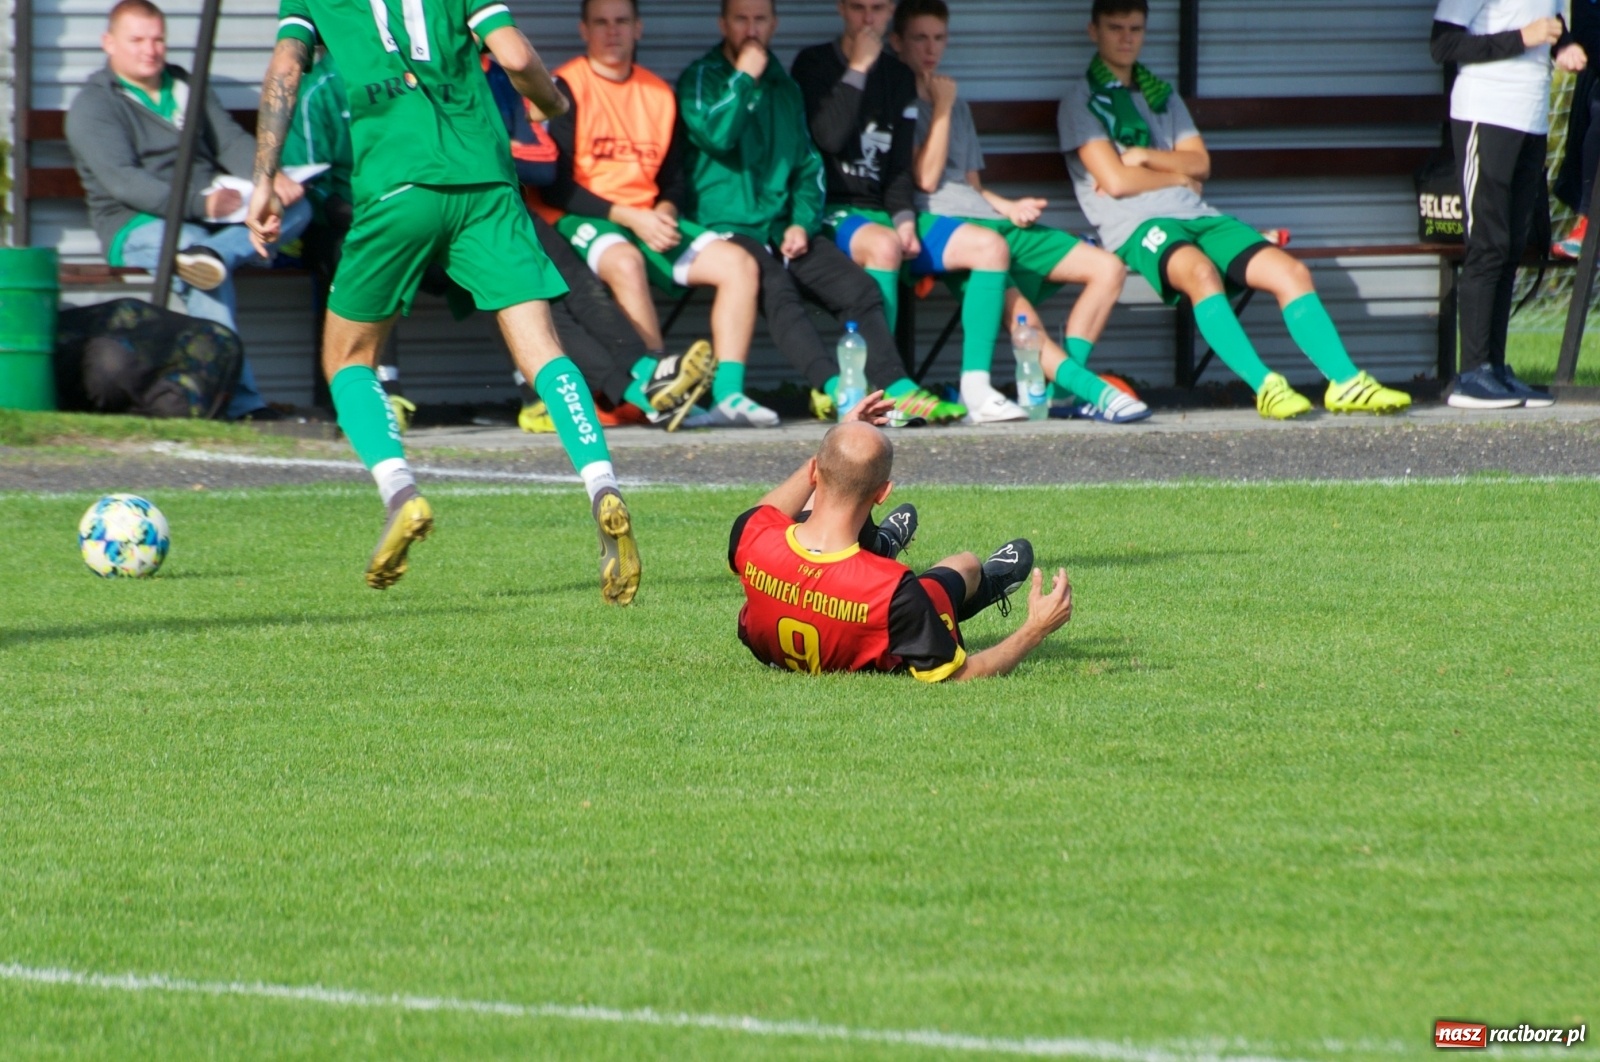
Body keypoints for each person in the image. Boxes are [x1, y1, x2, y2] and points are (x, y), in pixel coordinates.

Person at [250, 0, 643, 603]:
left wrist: (263, 179)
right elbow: (514, 55)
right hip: (484, 181)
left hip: (398, 184)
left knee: (349, 359)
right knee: (542, 350)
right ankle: (602, 483)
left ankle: (401, 492)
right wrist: (554, 102)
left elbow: (285, 69)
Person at [1059, 0, 1412, 419]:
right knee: (1201, 273)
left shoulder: (1160, 94)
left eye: (1135, 28)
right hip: (1139, 224)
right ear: (1092, 31)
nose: (1126, 38)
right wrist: (1173, 173)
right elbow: (1117, 182)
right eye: (1115, 28)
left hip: (1200, 214)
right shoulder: (1080, 102)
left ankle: (1345, 380)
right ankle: (1266, 386)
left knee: (1292, 272)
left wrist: (1142, 156)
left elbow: (1201, 164)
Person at [678, 0, 941, 425]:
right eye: (741, 19)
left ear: (774, 24)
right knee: (778, 286)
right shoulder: (703, 77)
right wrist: (744, 76)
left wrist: (801, 222)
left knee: (858, 290)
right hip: (721, 226)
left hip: (780, 227)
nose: (751, 28)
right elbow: (715, 136)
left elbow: (809, 167)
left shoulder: (784, 85)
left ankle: (894, 387)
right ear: (722, 23)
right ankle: (839, 391)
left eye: (760, 19)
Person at [892, 0, 1149, 424]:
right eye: (920, 38)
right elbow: (925, 177)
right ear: (898, 42)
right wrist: (938, 105)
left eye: (939, 37)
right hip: (945, 230)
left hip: (987, 219)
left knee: (1108, 268)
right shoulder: (904, 99)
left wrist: (1009, 206)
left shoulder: (955, 103)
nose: (931, 48)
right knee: (1024, 316)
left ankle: (1064, 390)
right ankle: (1096, 392)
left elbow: (970, 185)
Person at [66, 0, 311, 421]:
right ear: (109, 43)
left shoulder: (186, 86)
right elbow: (125, 182)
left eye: (158, 39)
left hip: (212, 221)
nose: (151, 50)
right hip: (138, 225)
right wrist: (200, 204)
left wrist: (271, 178)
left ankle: (220, 256)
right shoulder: (95, 105)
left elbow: (231, 143)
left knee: (299, 209)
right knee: (201, 270)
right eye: (137, 40)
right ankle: (242, 404)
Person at [538, 0, 776, 429]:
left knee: (739, 264)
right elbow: (556, 187)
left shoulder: (658, 92)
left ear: (639, 29)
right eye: (602, 23)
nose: (612, 32)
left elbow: (674, 182)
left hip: (647, 217)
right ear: (583, 30)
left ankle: (728, 395)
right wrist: (630, 217)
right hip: (582, 218)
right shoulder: (565, 87)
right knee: (625, 262)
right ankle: (661, 392)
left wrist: (664, 210)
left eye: (622, 22)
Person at [730, 391, 1074, 682]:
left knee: (819, 510)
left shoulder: (754, 535)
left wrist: (837, 444)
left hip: (778, 640)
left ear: (812, 470)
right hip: (869, 600)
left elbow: (763, 514)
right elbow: (959, 677)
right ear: (884, 493)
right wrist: (1035, 629)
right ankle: (981, 584)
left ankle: (881, 544)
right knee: (965, 565)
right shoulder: (894, 590)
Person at [794, 0, 1027, 425]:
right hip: (831, 209)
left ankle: (976, 387)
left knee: (990, 247)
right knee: (883, 247)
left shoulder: (897, 76)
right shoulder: (814, 64)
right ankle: (884, 393)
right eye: (860, 8)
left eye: (879, 9)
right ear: (841, 9)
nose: (869, 19)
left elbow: (899, 168)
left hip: (886, 214)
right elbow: (827, 137)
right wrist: (859, 69)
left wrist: (904, 219)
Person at [1433, 0, 1581, 408]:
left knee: (1512, 248)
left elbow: (1548, 24)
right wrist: (1522, 39)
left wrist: (1562, 45)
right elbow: (1443, 44)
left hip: (1530, 120)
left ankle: (1494, 369)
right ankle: (1472, 374)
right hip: (1486, 113)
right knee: (1488, 245)